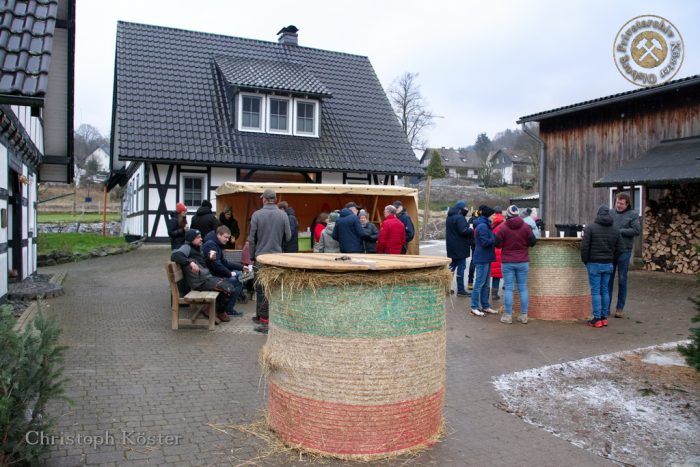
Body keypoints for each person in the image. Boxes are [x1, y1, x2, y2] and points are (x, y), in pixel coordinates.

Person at [170, 229, 241, 323]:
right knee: (228, 287)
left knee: (229, 284)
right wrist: (190, 262)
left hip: (205, 278)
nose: (201, 239)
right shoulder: (187, 247)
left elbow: (202, 264)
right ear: (191, 239)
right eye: (198, 237)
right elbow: (175, 255)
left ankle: (217, 311)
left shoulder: (197, 248)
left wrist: (209, 258)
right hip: (200, 282)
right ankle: (216, 311)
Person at [248, 189, 291, 334]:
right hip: (277, 258)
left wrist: (253, 255)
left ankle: (263, 320)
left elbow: (251, 238)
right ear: (275, 199)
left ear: (264, 199)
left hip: (261, 257)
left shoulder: (257, 215)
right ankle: (273, 318)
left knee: (261, 288)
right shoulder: (283, 214)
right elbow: (289, 236)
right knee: (275, 288)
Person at [581, 205, 622, 328]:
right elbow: (620, 249)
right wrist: (612, 259)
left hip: (594, 263)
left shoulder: (590, 228)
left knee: (595, 291)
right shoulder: (615, 229)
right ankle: (604, 318)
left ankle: (597, 318)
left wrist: (585, 261)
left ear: (598, 215)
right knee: (605, 290)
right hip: (608, 264)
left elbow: (585, 247)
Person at [496, 205, 537, 324]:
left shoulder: (503, 228)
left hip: (508, 262)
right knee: (523, 288)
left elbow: (497, 244)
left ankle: (508, 316)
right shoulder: (526, 227)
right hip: (523, 261)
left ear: (508, 215)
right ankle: (524, 316)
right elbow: (533, 242)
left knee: (509, 289)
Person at [608, 192, 641, 319]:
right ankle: (606, 308)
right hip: (611, 250)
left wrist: (619, 232)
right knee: (608, 280)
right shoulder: (611, 213)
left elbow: (636, 230)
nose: (618, 205)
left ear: (627, 204)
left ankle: (619, 308)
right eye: (617, 202)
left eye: (621, 203)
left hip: (624, 251)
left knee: (622, 279)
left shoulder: (632, 215)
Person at [201, 226, 245, 316]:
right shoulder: (211, 245)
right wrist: (229, 273)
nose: (228, 240)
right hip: (210, 278)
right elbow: (216, 265)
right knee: (237, 281)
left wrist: (241, 267)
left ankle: (227, 308)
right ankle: (226, 309)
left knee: (240, 275)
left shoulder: (217, 244)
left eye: (228, 237)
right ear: (218, 235)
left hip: (213, 275)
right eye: (225, 237)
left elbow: (225, 262)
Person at [470, 205, 498, 317]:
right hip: (481, 258)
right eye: (493, 214)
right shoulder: (482, 226)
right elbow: (485, 242)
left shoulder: (486, 225)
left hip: (487, 257)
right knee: (479, 284)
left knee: (486, 284)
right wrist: (495, 238)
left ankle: (485, 306)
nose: (495, 216)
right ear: (488, 215)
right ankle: (474, 307)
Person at [445, 200, 473, 297]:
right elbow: (464, 231)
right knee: (461, 268)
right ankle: (460, 290)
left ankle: (447, 288)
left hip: (451, 247)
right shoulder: (460, 218)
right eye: (466, 209)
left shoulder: (449, 217)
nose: (467, 210)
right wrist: (471, 229)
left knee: (451, 268)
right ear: (461, 209)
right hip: (460, 248)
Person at [490, 207, 505, 300]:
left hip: (491, 249)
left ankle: (492, 293)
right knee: (501, 272)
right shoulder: (504, 223)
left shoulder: (490, 222)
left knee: (493, 273)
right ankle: (496, 294)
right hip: (501, 249)